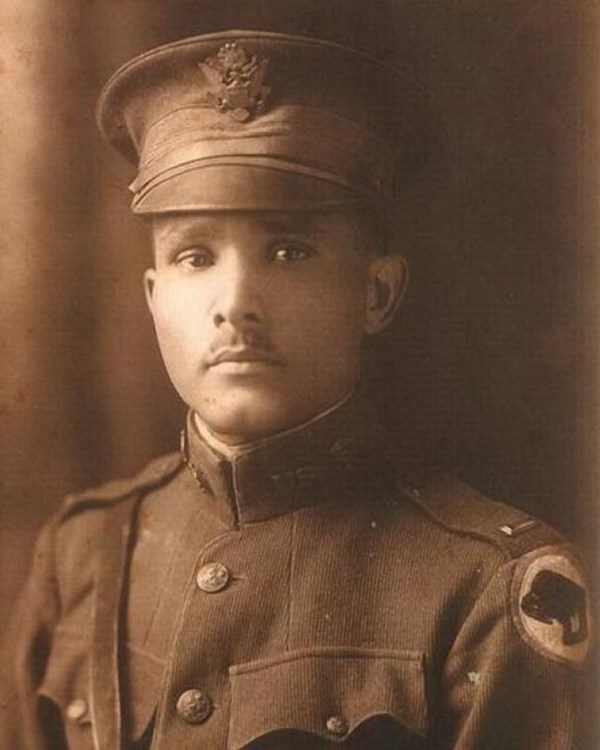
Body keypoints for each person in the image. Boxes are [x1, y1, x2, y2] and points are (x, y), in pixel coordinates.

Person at [0, 29, 591, 750]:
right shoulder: (82, 554)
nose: (236, 302)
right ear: (153, 296)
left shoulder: (483, 591)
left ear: (376, 293)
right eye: (195, 256)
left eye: (289, 251)